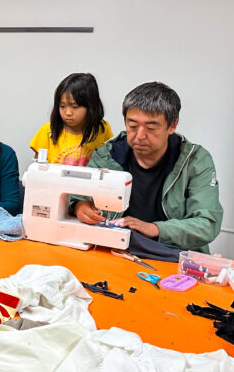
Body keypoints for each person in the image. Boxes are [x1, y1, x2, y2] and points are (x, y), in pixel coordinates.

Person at [72, 82, 223, 252]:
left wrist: (155, 229)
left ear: (172, 125)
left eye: (151, 128)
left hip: (175, 256)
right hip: (118, 251)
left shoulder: (195, 161)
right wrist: (79, 205)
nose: (140, 136)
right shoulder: (108, 155)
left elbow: (207, 224)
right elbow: (78, 194)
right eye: (133, 126)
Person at [29, 73, 113, 166]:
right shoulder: (47, 131)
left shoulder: (102, 129)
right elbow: (37, 170)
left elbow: (108, 163)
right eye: (62, 106)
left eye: (75, 106)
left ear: (91, 106)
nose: (68, 112)